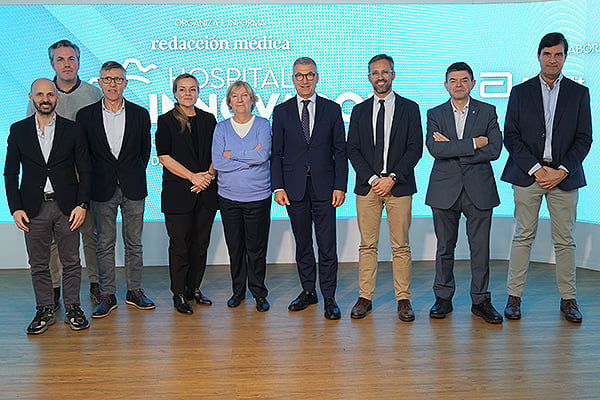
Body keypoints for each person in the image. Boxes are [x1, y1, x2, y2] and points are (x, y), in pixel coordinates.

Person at [501, 32, 592, 323]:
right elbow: (511, 137)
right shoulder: (520, 91)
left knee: (564, 241)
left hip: (564, 176)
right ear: (539, 56)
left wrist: (562, 170)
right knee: (522, 236)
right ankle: (514, 297)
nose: (552, 60)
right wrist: (536, 169)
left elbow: (584, 138)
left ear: (565, 57)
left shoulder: (580, 93)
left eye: (558, 55)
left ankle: (568, 300)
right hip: (529, 176)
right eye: (547, 54)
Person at [5, 78, 91, 333]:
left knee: (72, 261)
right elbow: (10, 173)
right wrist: (15, 207)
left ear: (57, 98)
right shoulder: (18, 130)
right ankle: (44, 309)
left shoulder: (73, 129)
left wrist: (82, 204)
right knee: (39, 263)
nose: (45, 99)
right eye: (40, 94)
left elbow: (85, 171)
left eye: (50, 94)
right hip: (33, 209)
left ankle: (73, 308)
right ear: (32, 98)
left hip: (68, 207)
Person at [425, 62, 503, 324]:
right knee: (444, 247)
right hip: (444, 189)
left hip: (479, 189)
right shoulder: (434, 113)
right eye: (453, 80)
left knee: (480, 249)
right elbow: (436, 150)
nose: (459, 84)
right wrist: (472, 144)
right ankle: (443, 298)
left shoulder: (488, 111)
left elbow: (494, 151)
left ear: (472, 83)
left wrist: (454, 148)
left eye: (464, 80)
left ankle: (480, 300)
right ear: (446, 85)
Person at [27, 40, 102, 308]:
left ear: (79, 62)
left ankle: (95, 284)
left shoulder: (94, 94)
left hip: (83, 183)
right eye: (60, 60)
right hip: (51, 187)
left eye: (71, 58)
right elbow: (31, 142)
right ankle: (55, 288)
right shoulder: (42, 95)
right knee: (53, 244)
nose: (67, 64)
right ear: (52, 64)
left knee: (89, 236)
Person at [76, 61, 155, 319]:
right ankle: (107, 294)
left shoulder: (141, 114)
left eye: (118, 79)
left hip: (133, 186)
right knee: (104, 243)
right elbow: (84, 156)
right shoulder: (85, 115)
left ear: (125, 82)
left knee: (134, 243)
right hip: (101, 187)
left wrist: (128, 174)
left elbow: (145, 152)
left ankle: (134, 291)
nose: (112, 84)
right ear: (99, 82)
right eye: (107, 79)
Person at [347, 54, 422, 321]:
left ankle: (403, 299)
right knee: (368, 245)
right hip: (368, 189)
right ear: (369, 78)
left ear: (393, 74)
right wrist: (372, 180)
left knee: (400, 245)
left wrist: (392, 177)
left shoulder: (410, 108)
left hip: (399, 187)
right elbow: (352, 149)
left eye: (385, 72)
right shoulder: (358, 110)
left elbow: (415, 149)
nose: (380, 77)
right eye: (375, 73)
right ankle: (364, 297)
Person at [271, 57, 348, 320]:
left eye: (309, 75)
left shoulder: (332, 109)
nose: (304, 80)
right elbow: (276, 154)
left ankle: (329, 296)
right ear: (292, 79)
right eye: (299, 75)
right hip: (294, 190)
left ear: (317, 77)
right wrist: (278, 187)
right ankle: (308, 291)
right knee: (303, 244)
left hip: (326, 189)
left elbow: (341, 151)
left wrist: (340, 186)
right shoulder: (281, 112)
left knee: (327, 246)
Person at [155, 73, 218, 314]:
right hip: (178, 194)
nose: (188, 93)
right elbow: (164, 157)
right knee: (180, 245)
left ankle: (194, 289)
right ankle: (179, 293)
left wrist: (208, 177)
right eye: (183, 89)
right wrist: (193, 177)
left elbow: (218, 151)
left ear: (198, 92)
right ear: (175, 93)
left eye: (192, 89)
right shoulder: (165, 120)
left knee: (200, 244)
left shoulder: (209, 119)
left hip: (206, 192)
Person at [212, 80, 272, 312]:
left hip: (258, 197)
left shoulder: (263, 125)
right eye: (235, 96)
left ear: (252, 100)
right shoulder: (221, 128)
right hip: (228, 198)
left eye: (245, 95)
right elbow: (218, 162)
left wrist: (232, 156)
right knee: (235, 247)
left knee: (256, 249)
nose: (240, 100)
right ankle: (238, 291)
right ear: (229, 102)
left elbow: (262, 156)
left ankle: (258, 293)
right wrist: (247, 159)